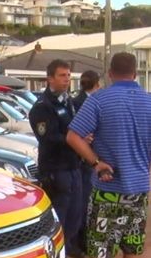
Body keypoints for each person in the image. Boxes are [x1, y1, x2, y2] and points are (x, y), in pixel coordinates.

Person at [67, 52, 151, 258]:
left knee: (100, 250)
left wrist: (96, 162)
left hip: (106, 190)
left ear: (110, 73)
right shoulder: (149, 102)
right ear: (135, 74)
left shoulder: (98, 100)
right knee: (131, 249)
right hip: (138, 193)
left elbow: (72, 136)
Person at [29, 59, 83, 258]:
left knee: (75, 218)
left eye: (68, 75)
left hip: (73, 166)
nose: (66, 79)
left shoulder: (68, 101)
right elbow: (49, 138)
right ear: (49, 78)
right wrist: (77, 140)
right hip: (57, 170)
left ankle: (68, 251)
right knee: (60, 218)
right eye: (62, 75)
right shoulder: (43, 107)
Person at [72, 70, 100, 253]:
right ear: (96, 85)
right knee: (82, 203)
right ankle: (79, 242)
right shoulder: (83, 102)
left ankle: (82, 240)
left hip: (87, 159)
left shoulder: (79, 100)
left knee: (85, 202)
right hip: (83, 159)